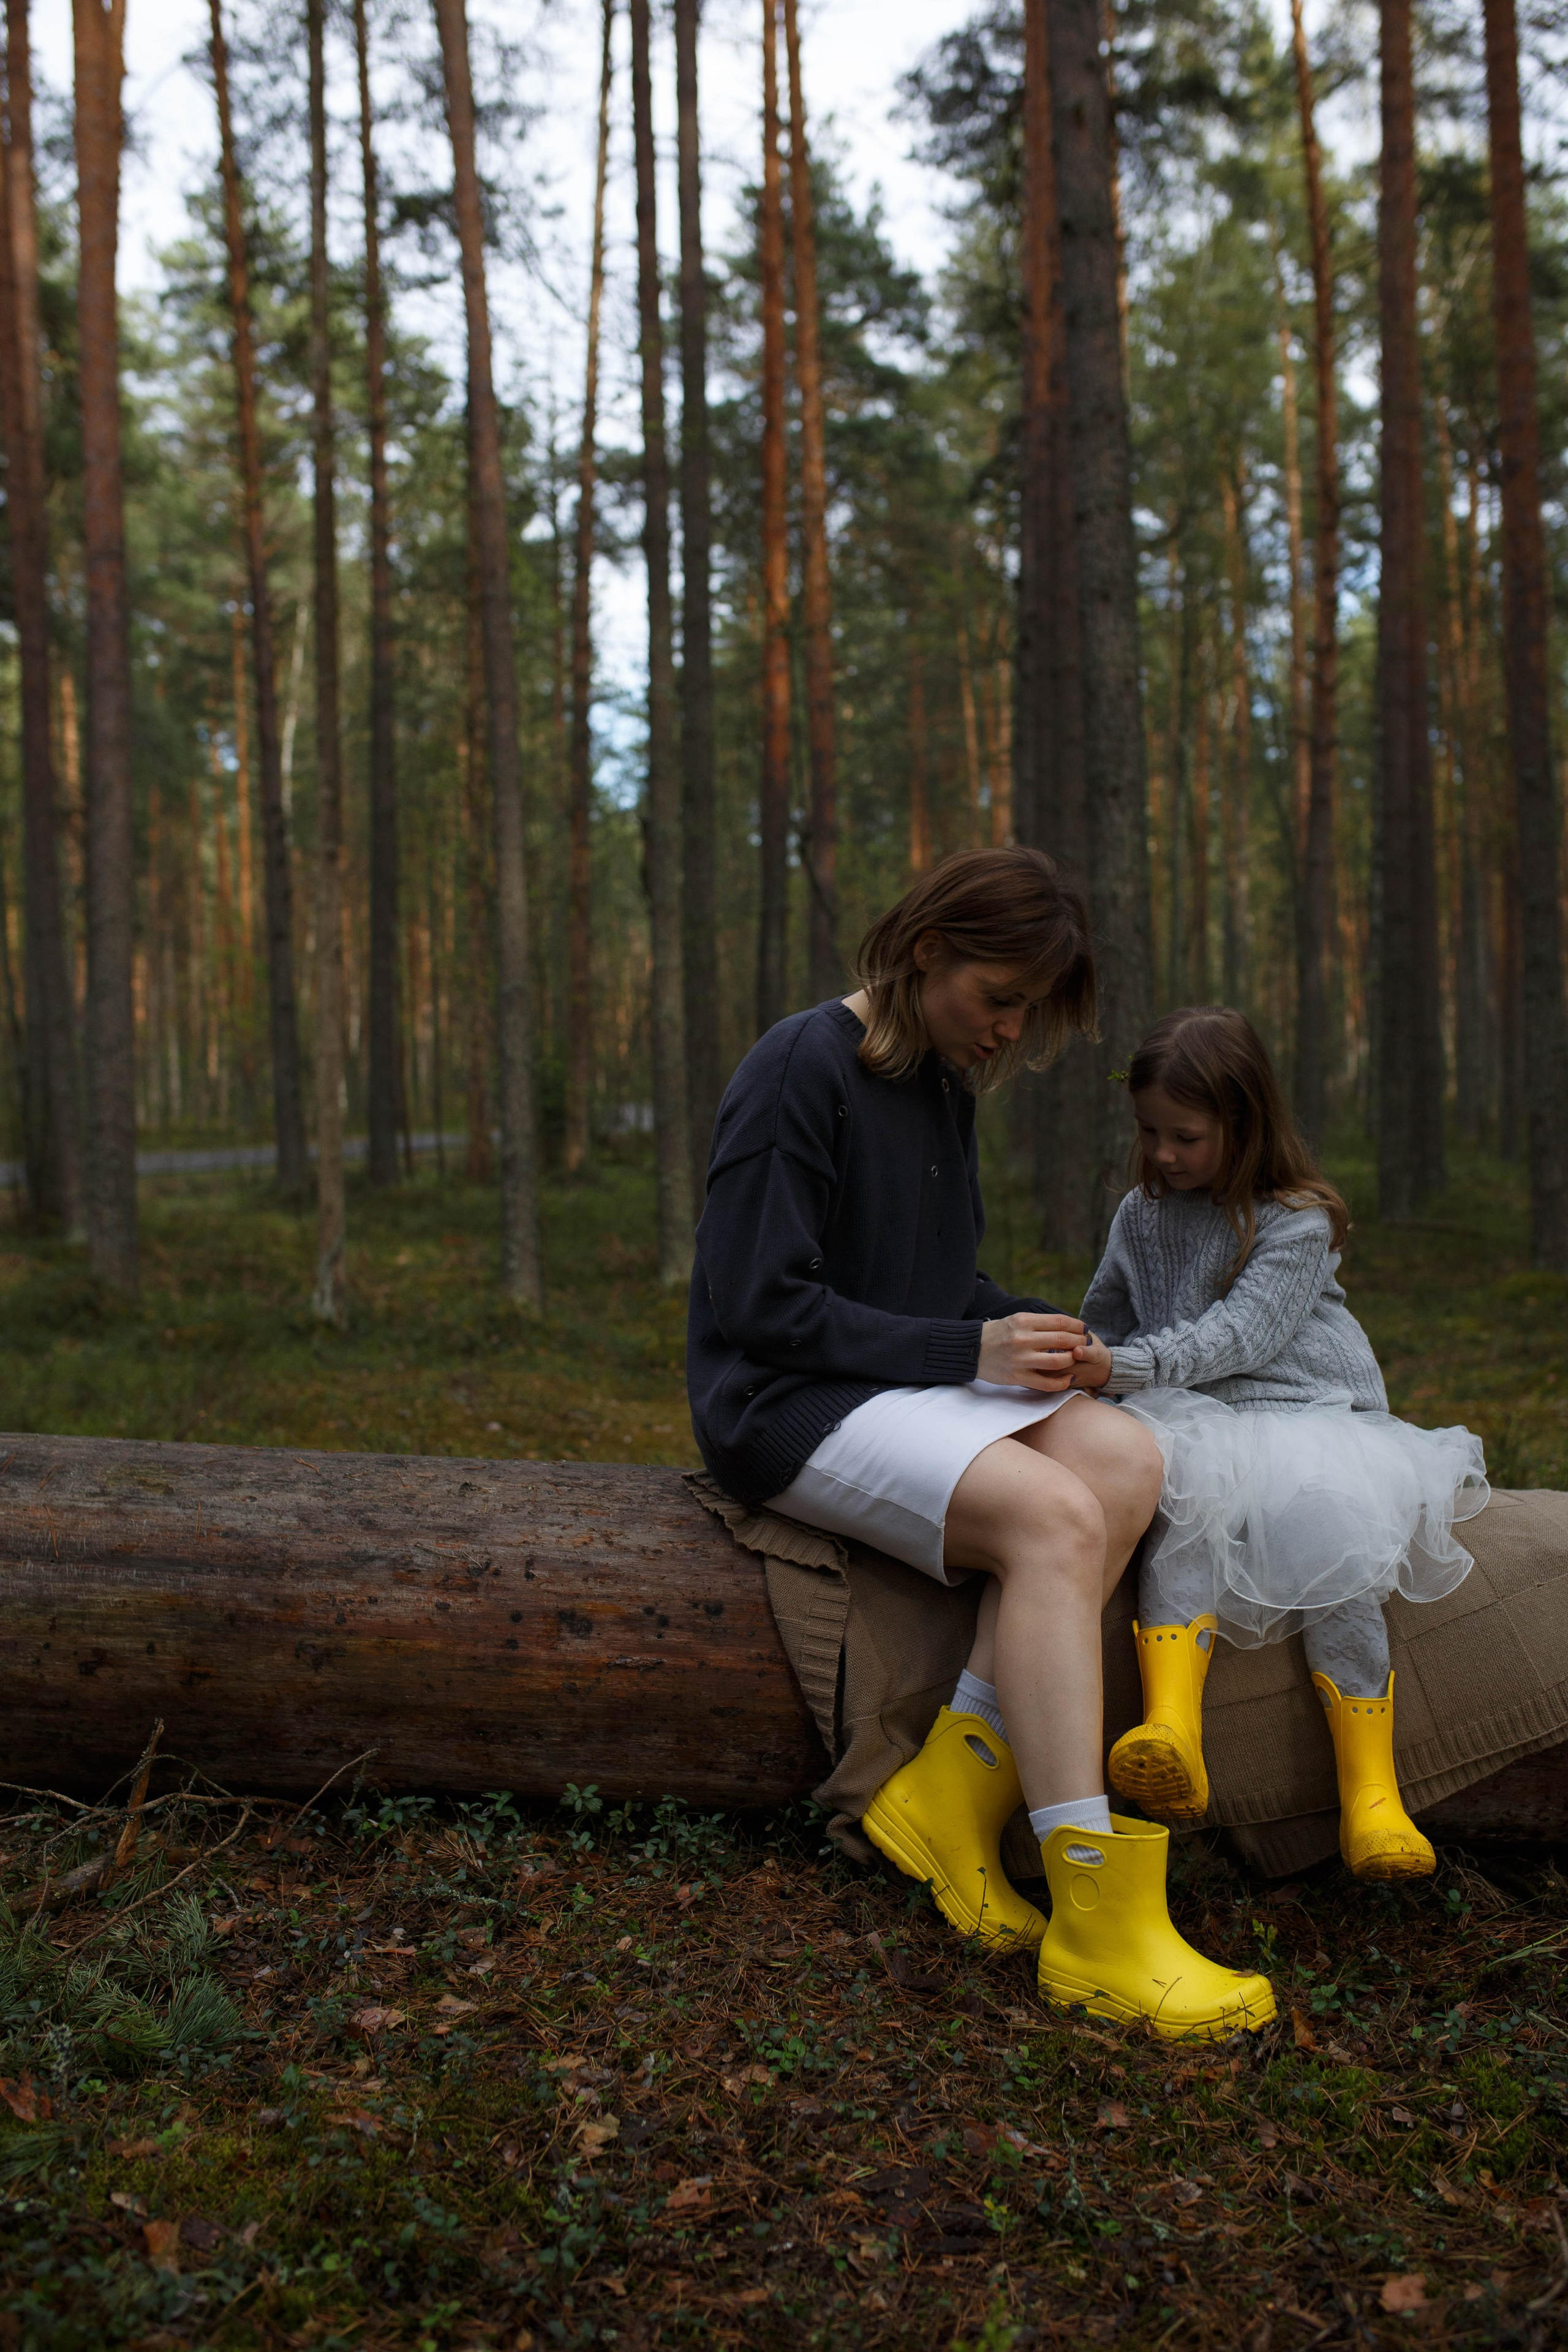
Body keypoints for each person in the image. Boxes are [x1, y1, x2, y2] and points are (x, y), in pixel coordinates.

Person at [688, 850, 1275, 2041]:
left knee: (1121, 1460)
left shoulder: (939, 1081)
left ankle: (951, 1797)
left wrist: (1030, 1333)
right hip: (783, 1403)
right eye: (996, 999)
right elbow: (759, 1307)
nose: (1008, 1032)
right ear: (924, 955)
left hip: (886, 1382)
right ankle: (1095, 1923)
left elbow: (928, 1282)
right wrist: (970, 1354)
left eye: (1025, 1012)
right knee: (1053, 1519)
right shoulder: (798, 1067)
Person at [1074, 1006, 1488, 1881]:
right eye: (1148, 1132)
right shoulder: (1139, 1215)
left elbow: (1241, 1337)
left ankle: (1372, 1794)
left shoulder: (1294, 1219)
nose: (1162, 1155)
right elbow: (1105, 1318)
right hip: (1190, 1413)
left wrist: (1119, 1365)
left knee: (1337, 1545)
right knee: (1181, 1504)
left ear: (1244, 1123)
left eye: (1184, 1136)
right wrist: (1079, 1360)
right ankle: (1171, 1732)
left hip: (1307, 1415)